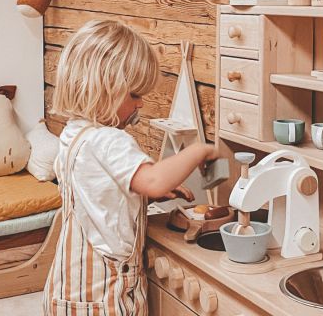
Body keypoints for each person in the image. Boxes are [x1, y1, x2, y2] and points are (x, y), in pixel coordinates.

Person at [44, 19, 218, 315]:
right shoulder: (110, 140)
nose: (140, 105)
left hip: (70, 289)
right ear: (105, 87)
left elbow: (96, 193)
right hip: (102, 292)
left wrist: (141, 194)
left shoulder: (75, 133)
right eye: (135, 95)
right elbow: (153, 180)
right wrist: (200, 151)